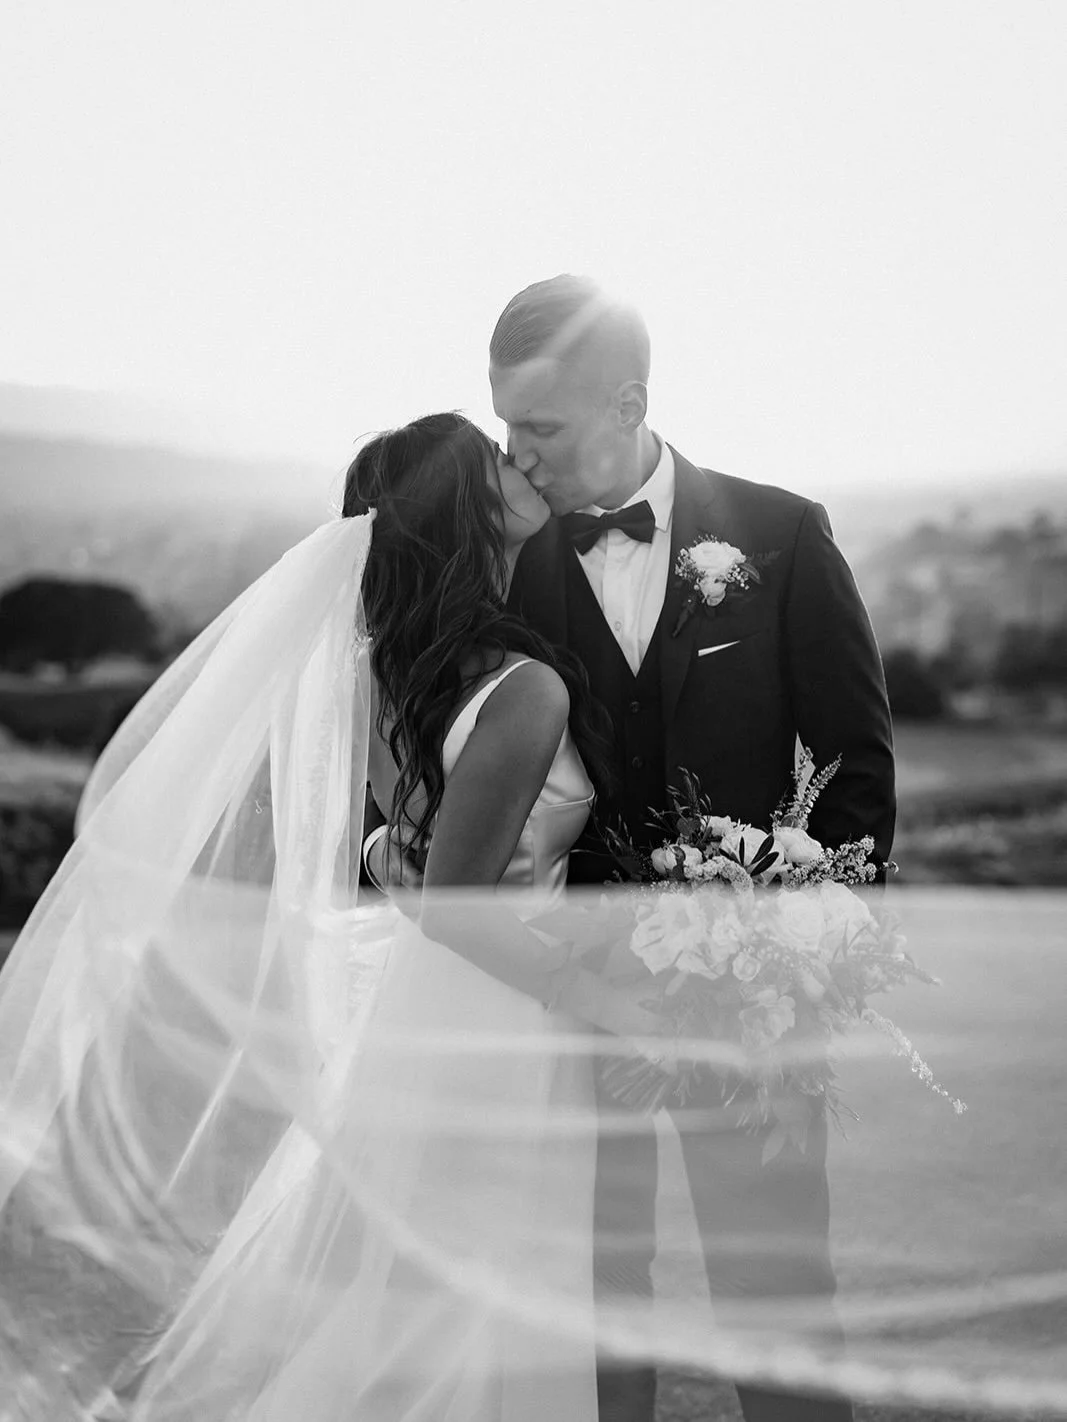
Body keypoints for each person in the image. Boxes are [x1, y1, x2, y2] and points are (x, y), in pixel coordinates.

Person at [0, 411, 665, 1421]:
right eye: (493, 458)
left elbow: (402, 853)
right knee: (489, 1294)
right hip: (503, 1015)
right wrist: (603, 999)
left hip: (420, 1006)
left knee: (431, 1291)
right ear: (465, 509)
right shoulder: (522, 689)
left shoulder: (387, 670)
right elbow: (456, 904)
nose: (517, 459)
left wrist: (391, 862)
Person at [489, 275, 897, 1422]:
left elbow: (855, 772)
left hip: (751, 1002)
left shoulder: (780, 535)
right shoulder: (509, 567)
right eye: (504, 426)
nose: (515, 457)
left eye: (540, 428)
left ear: (627, 403)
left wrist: (801, 957)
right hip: (570, 1004)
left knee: (776, 1293)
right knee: (588, 1297)